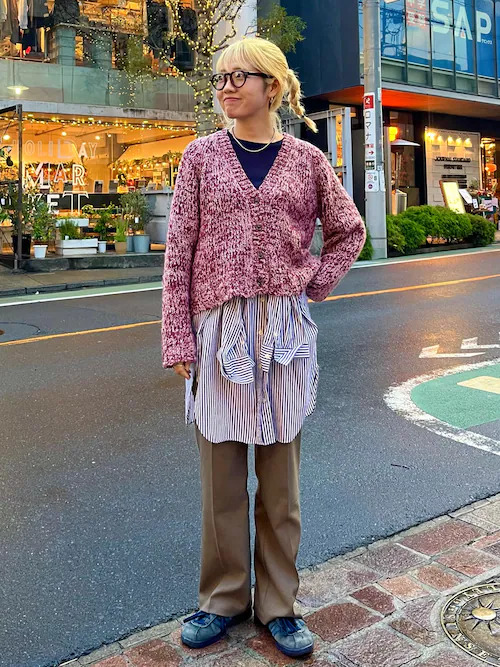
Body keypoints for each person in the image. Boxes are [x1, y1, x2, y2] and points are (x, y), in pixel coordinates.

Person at [161, 37, 366, 659]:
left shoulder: (307, 160)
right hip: (218, 333)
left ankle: (278, 604)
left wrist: (314, 283)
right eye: (220, 78)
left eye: (238, 76)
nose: (225, 87)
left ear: (271, 87)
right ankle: (223, 598)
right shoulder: (200, 156)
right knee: (221, 481)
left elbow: (349, 230)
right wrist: (176, 336)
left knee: (279, 486)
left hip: (283, 338)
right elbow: (179, 253)